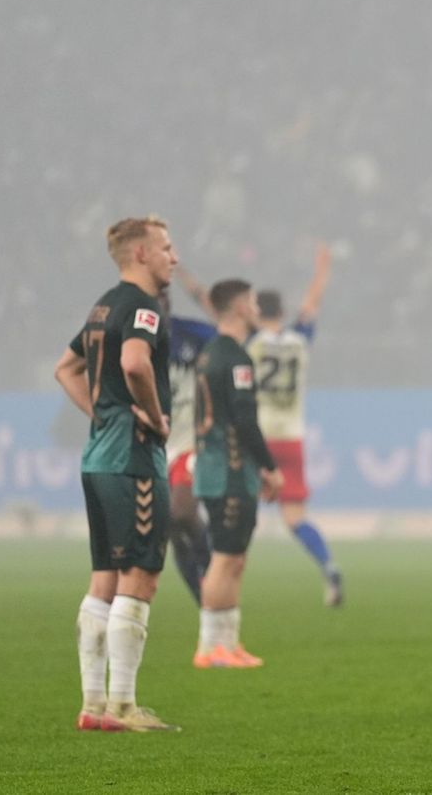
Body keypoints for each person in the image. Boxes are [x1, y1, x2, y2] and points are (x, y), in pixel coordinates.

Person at [53, 216, 181, 732]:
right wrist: (152, 414)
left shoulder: (103, 306)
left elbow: (65, 368)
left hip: (97, 458)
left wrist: (101, 412)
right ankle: (124, 706)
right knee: (141, 574)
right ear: (142, 255)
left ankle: (92, 705)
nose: (175, 256)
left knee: (104, 577)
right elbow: (134, 364)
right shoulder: (143, 309)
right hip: (133, 460)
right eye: (167, 248)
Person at [192, 280, 284, 669]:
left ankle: (228, 644)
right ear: (235, 308)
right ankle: (209, 646)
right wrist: (270, 466)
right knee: (224, 558)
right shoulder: (235, 360)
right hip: (227, 471)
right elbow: (245, 421)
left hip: (225, 470)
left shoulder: (211, 354)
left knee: (235, 558)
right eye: (249, 300)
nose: (255, 305)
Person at [246, 244, 343, 606]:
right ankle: (328, 566)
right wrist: (322, 270)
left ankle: (220, 577)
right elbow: (312, 305)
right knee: (296, 518)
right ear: (282, 312)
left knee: (238, 511)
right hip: (291, 439)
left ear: (256, 314)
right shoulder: (299, 342)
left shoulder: (251, 344)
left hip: (258, 438)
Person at [162, 290, 216, 604]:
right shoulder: (128, 339)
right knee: (169, 528)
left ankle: (211, 567)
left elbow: (227, 338)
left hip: (188, 442)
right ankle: (203, 599)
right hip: (154, 446)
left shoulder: (191, 333)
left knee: (181, 511)